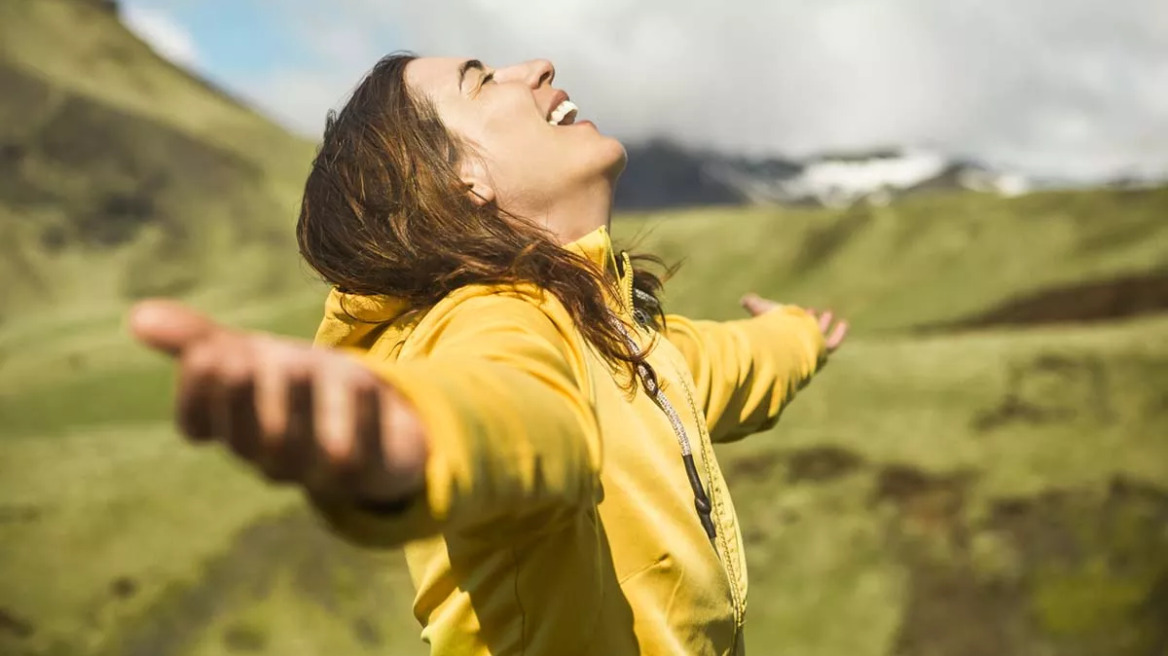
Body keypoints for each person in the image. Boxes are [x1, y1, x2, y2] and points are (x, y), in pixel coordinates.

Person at [130, 53, 848, 655]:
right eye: (479, 80)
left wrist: (799, 335)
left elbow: (721, 364)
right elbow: (511, 410)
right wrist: (412, 437)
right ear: (459, 178)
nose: (537, 67)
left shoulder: (615, 332)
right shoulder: (496, 318)